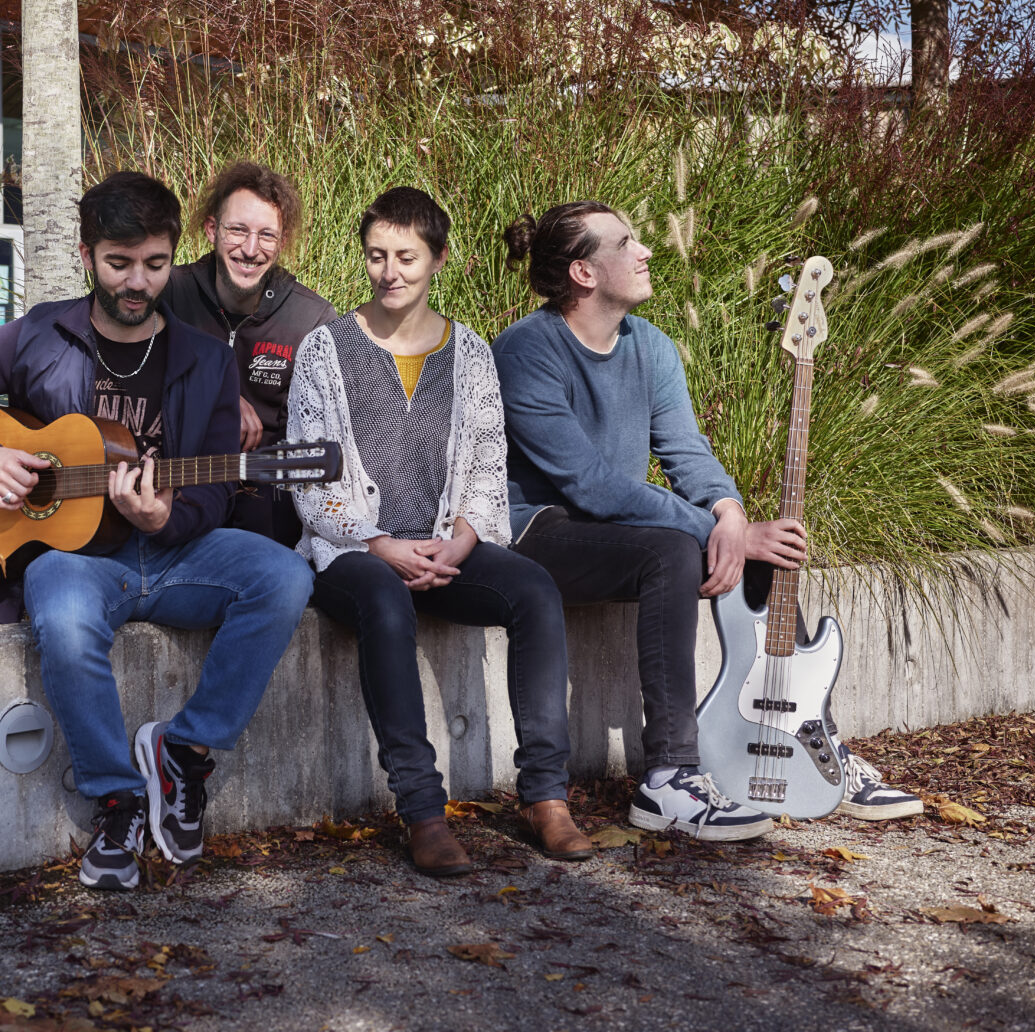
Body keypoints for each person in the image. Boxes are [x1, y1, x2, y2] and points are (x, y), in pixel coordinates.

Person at [0, 171, 314, 890]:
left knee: (285, 578)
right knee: (58, 612)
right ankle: (115, 798)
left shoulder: (206, 359)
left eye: (155, 264)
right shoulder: (40, 335)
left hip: (174, 550)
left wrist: (168, 514)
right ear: (88, 254)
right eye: (119, 264)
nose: (138, 282)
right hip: (76, 557)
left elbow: (214, 487)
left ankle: (185, 753)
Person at [492, 201, 923, 840]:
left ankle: (810, 740)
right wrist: (712, 528)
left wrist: (730, 513)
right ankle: (669, 777)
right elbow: (589, 484)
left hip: (619, 532)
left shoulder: (653, 346)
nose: (645, 251)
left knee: (767, 549)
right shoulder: (528, 350)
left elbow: (685, 450)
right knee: (667, 549)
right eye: (627, 242)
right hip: (539, 532)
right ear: (583, 272)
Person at [287, 187, 592, 877]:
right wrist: (378, 544)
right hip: (356, 554)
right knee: (384, 600)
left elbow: (488, 462)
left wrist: (461, 538)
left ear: (438, 259)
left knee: (534, 591)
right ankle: (423, 811)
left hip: (445, 546)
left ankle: (545, 796)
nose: (389, 272)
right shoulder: (324, 352)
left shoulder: (472, 354)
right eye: (376, 256)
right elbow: (310, 483)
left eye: (406, 257)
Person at [165, 161, 337, 546]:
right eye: (237, 230)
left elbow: (320, 435)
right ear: (212, 229)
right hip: (178, 483)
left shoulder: (312, 318)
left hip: (265, 492)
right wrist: (218, 394)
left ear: (283, 240)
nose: (250, 249)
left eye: (266, 235)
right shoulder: (169, 293)